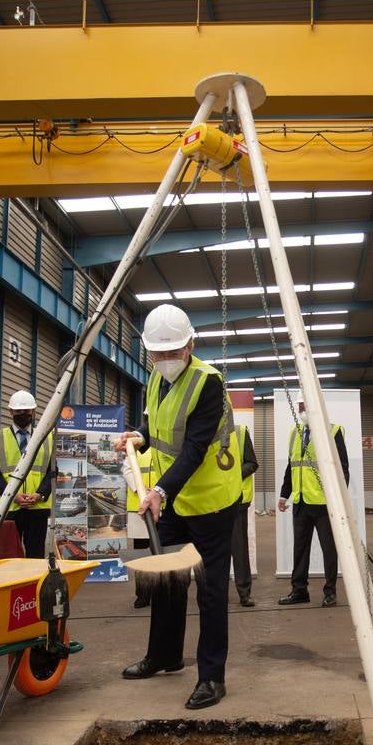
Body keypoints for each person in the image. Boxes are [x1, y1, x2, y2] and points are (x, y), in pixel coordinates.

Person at [115, 303, 242, 710]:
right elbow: (158, 428)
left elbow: (193, 448)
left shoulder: (209, 382)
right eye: (159, 353)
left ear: (191, 344)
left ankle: (211, 676)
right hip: (173, 500)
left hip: (211, 502)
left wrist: (160, 492)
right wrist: (139, 435)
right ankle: (165, 656)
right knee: (166, 580)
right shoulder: (156, 378)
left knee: (210, 589)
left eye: (174, 352)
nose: (166, 360)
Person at [277, 394, 349, 607]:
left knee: (329, 549)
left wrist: (340, 499)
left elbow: (342, 468)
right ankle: (299, 591)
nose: (302, 410)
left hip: (324, 503)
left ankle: (330, 592)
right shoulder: (294, 433)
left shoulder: (332, 431)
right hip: (300, 502)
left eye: (305, 405)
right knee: (300, 549)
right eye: (300, 406)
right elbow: (292, 467)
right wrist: (284, 494)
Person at [0, 389, 53, 558]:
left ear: (34, 411)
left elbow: (53, 472)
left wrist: (40, 494)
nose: (23, 414)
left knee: (35, 557)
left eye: (27, 411)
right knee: (6, 557)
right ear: (10, 412)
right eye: (19, 411)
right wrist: (12, 495)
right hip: (7, 508)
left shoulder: (48, 437)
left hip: (37, 507)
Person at [122, 446, 154, 608]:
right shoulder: (135, 447)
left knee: (160, 553)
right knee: (141, 554)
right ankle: (143, 594)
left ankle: (159, 591)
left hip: (161, 505)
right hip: (139, 508)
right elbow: (127, 470)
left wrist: (157, 491)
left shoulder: (165, 446)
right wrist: (140, 489)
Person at [232, 423, 259, 607]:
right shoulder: (204, 429)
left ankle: (244, 593)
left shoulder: (240, 432)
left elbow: (252, 463)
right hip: (210, 502)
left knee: (239, 549)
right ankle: (213, 594)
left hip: (237, 501)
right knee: (213, 551)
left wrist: (231, 475)